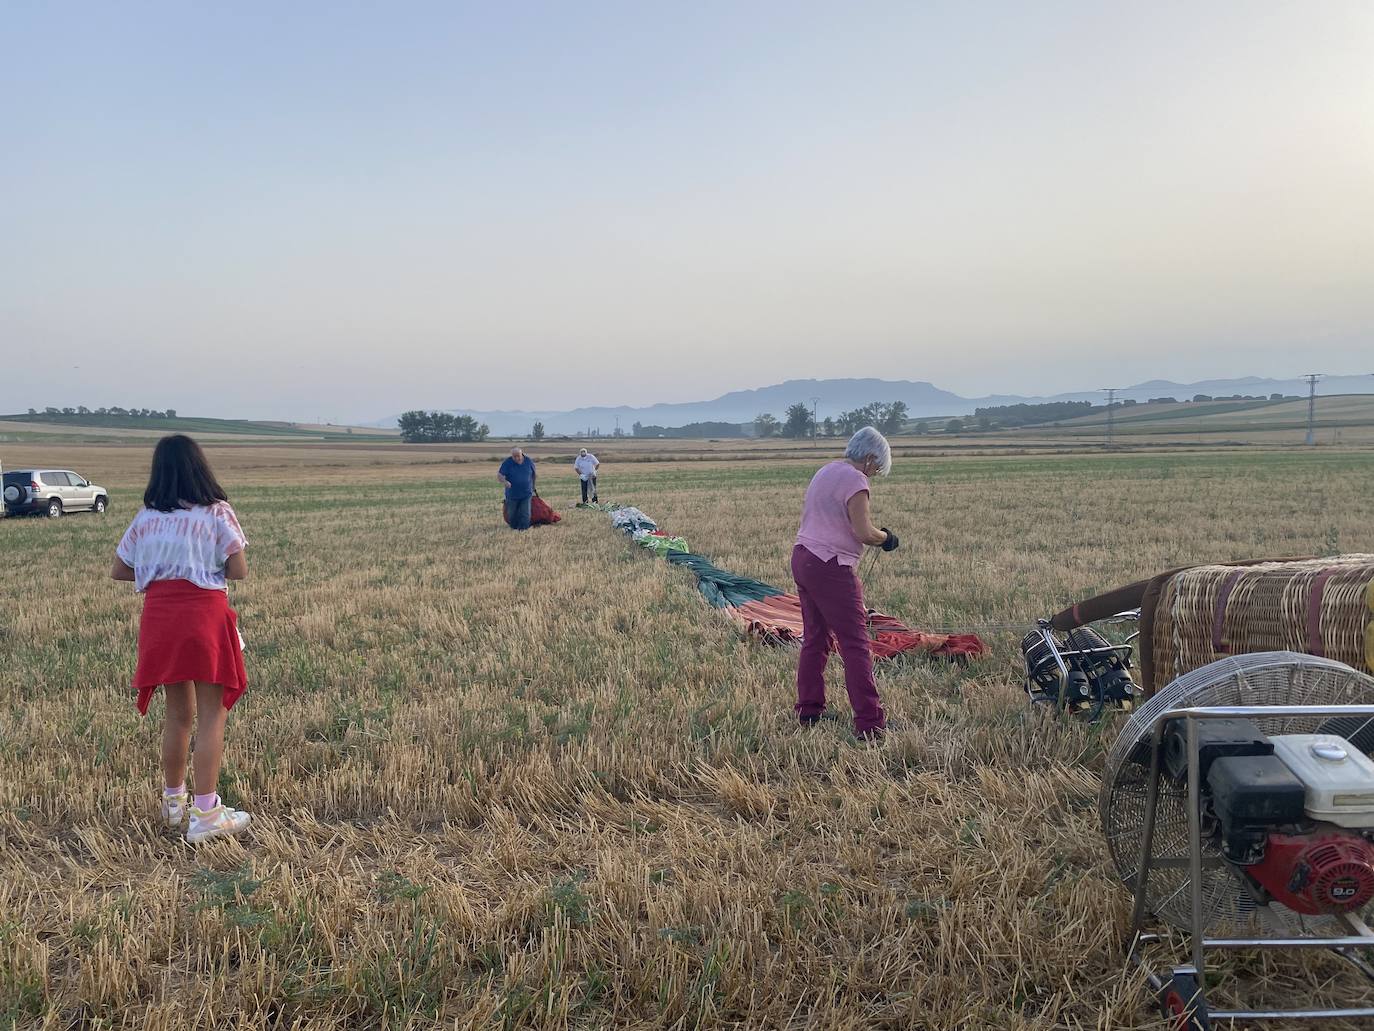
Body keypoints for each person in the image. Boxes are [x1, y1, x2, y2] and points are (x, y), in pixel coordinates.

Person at [111, 434, 253, 843]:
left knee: (177, 716)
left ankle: (174, 805)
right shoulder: (216, 513)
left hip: (161, 619)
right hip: (203, 617)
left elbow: (121, 569)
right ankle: (206, 815)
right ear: (199, 468)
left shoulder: (147, 518)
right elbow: (238, 569)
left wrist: (159, 566)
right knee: (212, 715)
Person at [792, 426, 899, 741]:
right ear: (868, 458)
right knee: (855, 645)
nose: (874, 474)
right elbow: (864, 532)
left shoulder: (826, 470)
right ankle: (870, 722)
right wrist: (887, 538)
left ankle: (809, 710)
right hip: (831, 567)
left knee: (815, 639)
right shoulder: (856, 480)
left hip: (803, 558)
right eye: (877, 468)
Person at [497, 446, 537, 530]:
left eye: (518, 456)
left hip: (526, 493)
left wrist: (533, 486)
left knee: (525, 513)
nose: (516, 458)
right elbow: (500, 475)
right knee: (511, 514)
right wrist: (505, 482)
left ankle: (523, 529)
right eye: (514, 456)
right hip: (512, 494)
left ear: (521, 454)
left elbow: (533, 474)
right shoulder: (507, 463)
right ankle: (514, 528)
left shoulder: (528, 461)